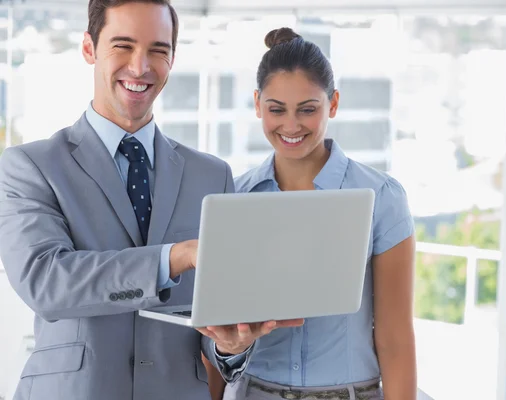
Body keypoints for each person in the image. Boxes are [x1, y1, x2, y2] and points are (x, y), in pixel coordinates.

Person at [0, 3, 300, 400]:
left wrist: (231, 346)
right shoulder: (30, 166)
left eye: (158, 50)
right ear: (89, 48)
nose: (140, 67)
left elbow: (215, 316)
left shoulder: (212, 175)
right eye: (123, 46)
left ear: (173, 58)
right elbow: (46, 282)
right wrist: (173, 257)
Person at [215, 27, 418, 400]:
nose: (291, 126)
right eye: (277, 109)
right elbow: (215, 333)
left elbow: (394, 338)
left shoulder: (381, 198)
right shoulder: (233, 199)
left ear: (333, 104)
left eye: (308, 110)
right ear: (258, 104)